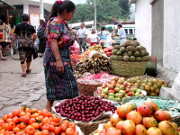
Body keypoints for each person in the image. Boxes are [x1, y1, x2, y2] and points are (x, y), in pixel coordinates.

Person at [44, 0, 79, 111]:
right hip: (54, 58)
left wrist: (69, 60)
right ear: (65, 11)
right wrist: (58, 60)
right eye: (71, 13)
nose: (72, 16)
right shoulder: (56, 22)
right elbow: (53, 41)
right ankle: (72, 110)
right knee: (70, 84)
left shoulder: (63, 23)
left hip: (62, 57)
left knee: (55, 85)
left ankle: (50, 111)